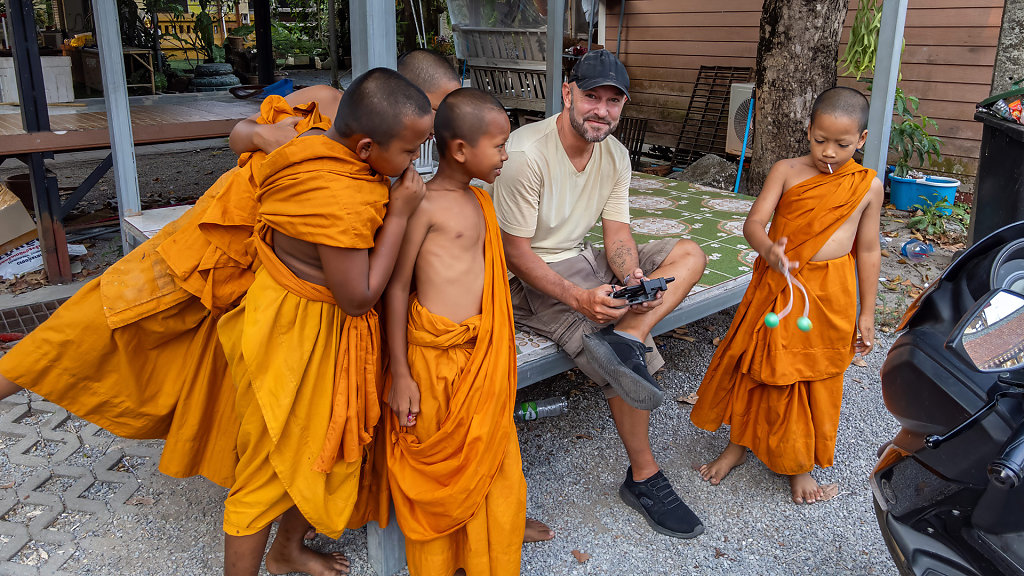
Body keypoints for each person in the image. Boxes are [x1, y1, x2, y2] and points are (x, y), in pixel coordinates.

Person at [215, 68, 432, 576]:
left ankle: (286, 551)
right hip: (298, 336)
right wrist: (399, 214)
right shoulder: (338, 197)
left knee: (318, 454)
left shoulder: (311, 147)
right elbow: (357, 298)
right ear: (362, 148)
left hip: (293, 316)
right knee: (268, 467)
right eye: (407, 152)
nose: (412, 165)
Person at [492, 49, 708, 539]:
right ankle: (644, 476)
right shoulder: (526, 155)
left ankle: (628, 335)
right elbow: (514, 254)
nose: (601, 111)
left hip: (587, 255)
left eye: (614, 101)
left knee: (690, 254)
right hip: (533, 275)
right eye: (592, 97)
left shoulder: (615, 154)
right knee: (615, 351)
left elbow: (618, 233)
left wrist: (631, 277)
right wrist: (578, 298)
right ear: (568, 93)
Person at [689, 86, 882, 505]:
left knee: (813, 377)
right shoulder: (787, 170)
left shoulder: (867, 186)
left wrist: (867, 313)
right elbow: (754, 224)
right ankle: (739, 446)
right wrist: (769, 251)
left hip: (831, 295)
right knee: (762, 366)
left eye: (843, 144)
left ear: (861, 140)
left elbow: (867, 249)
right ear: (808, 129)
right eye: (820, 140)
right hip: (780, 287)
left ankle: (799, 465)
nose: (829, 151)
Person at [384, 88, 525, 575]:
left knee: (495, 467)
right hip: (432, 361)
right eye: (500, 145)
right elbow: (396, 288)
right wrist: (400, 374)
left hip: (480, 358)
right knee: (442, 476)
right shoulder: (422, 205)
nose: (507, 155)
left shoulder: (481, 200)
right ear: (461, 149)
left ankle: (487, 558)